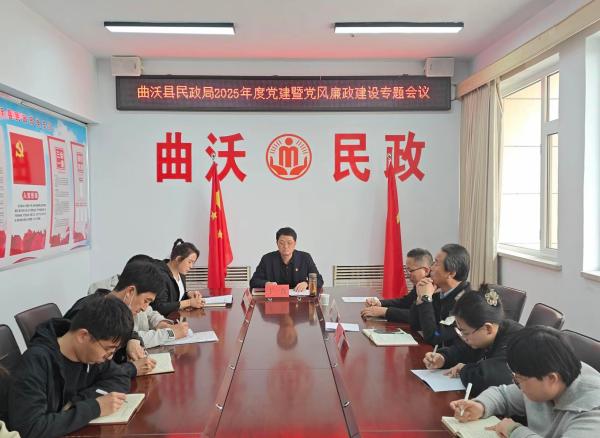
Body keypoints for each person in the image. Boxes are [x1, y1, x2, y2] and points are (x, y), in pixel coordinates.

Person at [7, 297, 134, 438]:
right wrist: (94, 408)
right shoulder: (36, 363)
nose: (109, 357)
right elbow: (30, 428)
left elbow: (120, 377)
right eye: (108, 349)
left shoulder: (91, 355)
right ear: (83, 336)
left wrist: (77, 402)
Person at [449, 326, 600, 438]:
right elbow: (504, 395)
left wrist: (514, 431)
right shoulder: (545, 375)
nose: (517, 384)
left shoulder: (593, 412)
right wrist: (481, 406)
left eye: (520, 378)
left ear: (551, 379)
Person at [65, 260, 164, 377]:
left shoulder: (116, 310)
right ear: (130, 291)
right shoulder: (91, 313)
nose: (144, 308)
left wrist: (133, 339)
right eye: (146, 301)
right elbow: (88, 374)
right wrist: (132, 369)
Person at [422, 287, 523, 396]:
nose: (464, 338)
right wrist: (443, 358)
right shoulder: (487, 334)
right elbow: (463, 350)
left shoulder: (516, 341)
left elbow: (488, 379)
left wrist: (464, 369)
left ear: (488, 328)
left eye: (465, 333)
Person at [88, 255, 190, 348]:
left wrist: (161, 323)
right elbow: (123, 338)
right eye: (146, 301)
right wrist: (169, 334)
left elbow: (149, 312)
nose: (144, 308)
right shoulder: (103, 300)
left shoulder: (136, 295)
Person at [409, 243, 471, 346]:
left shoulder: (466, 303)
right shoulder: (439, 292)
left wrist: (426, 299)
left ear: (451, 273)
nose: (431, 268)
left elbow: (435, 336)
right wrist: (420, 297)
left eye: (436, 264)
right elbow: (415, 325)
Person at [361, 248, 432, 322]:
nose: (408, 275)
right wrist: (380, 303)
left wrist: (385, 312)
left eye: (411, 271)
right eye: (407, 270)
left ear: (426, 271)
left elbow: (419, 316)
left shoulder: (433, 286)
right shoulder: (421, 283)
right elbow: (405, 302)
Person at [250, 227, 323, 292]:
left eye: (289, 243)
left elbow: (319, 280)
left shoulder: (305, 258)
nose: (285, 246)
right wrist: (266, 283)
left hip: (298, 299)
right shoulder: (267, 259)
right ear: (277, 243)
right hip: (275, 299)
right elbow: (253, 281)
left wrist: (307, 283)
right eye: (282, 243)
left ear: (295, 243)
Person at [153, 239, 205, 317]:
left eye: (193, 263)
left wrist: (189, 294)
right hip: (163, 321)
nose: (191, 266)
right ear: (178, 259)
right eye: (189, 262)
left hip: (176, 318)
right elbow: (159, 307)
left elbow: (175, 298)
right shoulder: (161, 276)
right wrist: (189, 302)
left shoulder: (181, 273)